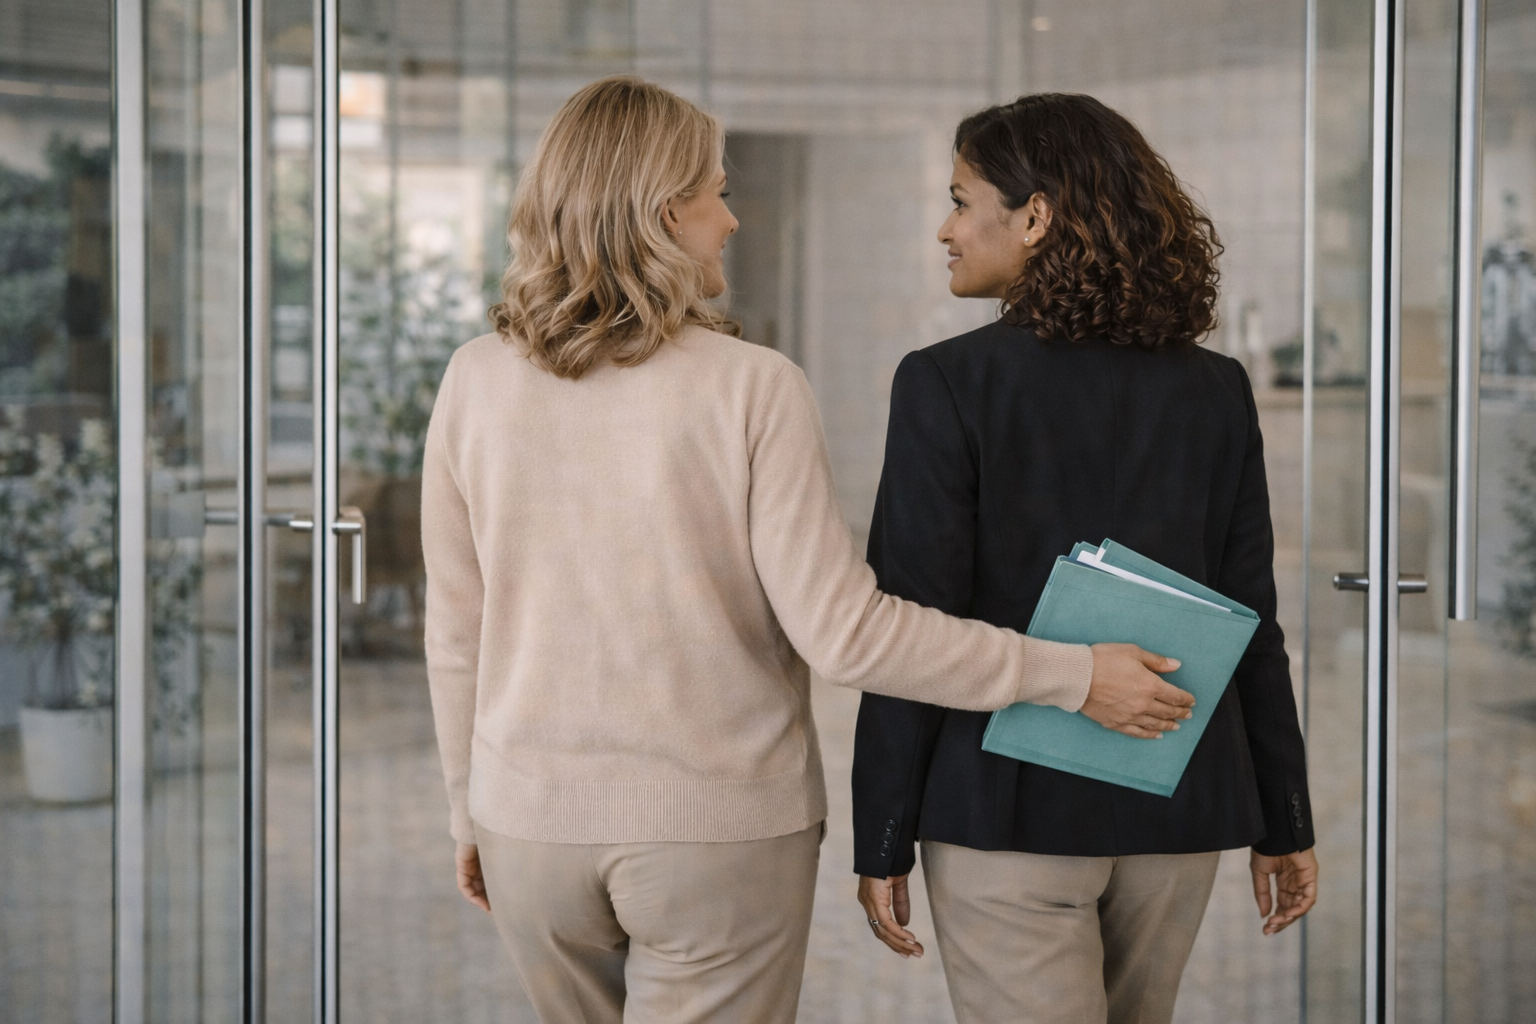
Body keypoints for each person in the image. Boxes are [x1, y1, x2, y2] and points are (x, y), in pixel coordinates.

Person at [422, 77, 1189, 1024]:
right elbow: (846, 636)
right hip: (716, 837)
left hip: (526, 829)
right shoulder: (753, 387)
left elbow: (457, 630)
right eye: (716, 191)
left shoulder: (474, 379)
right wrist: (1068, 673)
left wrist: (469, 812)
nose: (733, 220)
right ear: (666, 214)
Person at [851, 93, 1319, 1024]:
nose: (945, 229)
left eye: (959, 199)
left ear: (1035, 215)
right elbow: (1252, 622)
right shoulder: (1216, 390)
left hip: (1002, 816)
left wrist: (885, 834)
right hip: (1177, 807)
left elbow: (912, 625)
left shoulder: (945, 384)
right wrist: (1284, 819)